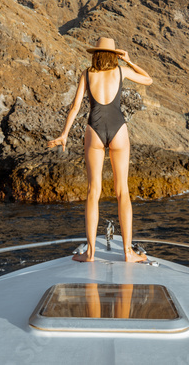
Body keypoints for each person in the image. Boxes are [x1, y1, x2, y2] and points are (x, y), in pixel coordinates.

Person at [48, 37, 153, 262]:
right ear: (114, 54)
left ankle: (90, 253)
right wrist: (130, 61)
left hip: (93, 129)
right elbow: (148, 80)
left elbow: (76, 106)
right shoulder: (121, 71)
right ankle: (127, 253)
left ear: (96, 54)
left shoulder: (87, 74)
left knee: (93, 192)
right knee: (122, 191)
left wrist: (64, 134)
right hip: (118, 129)